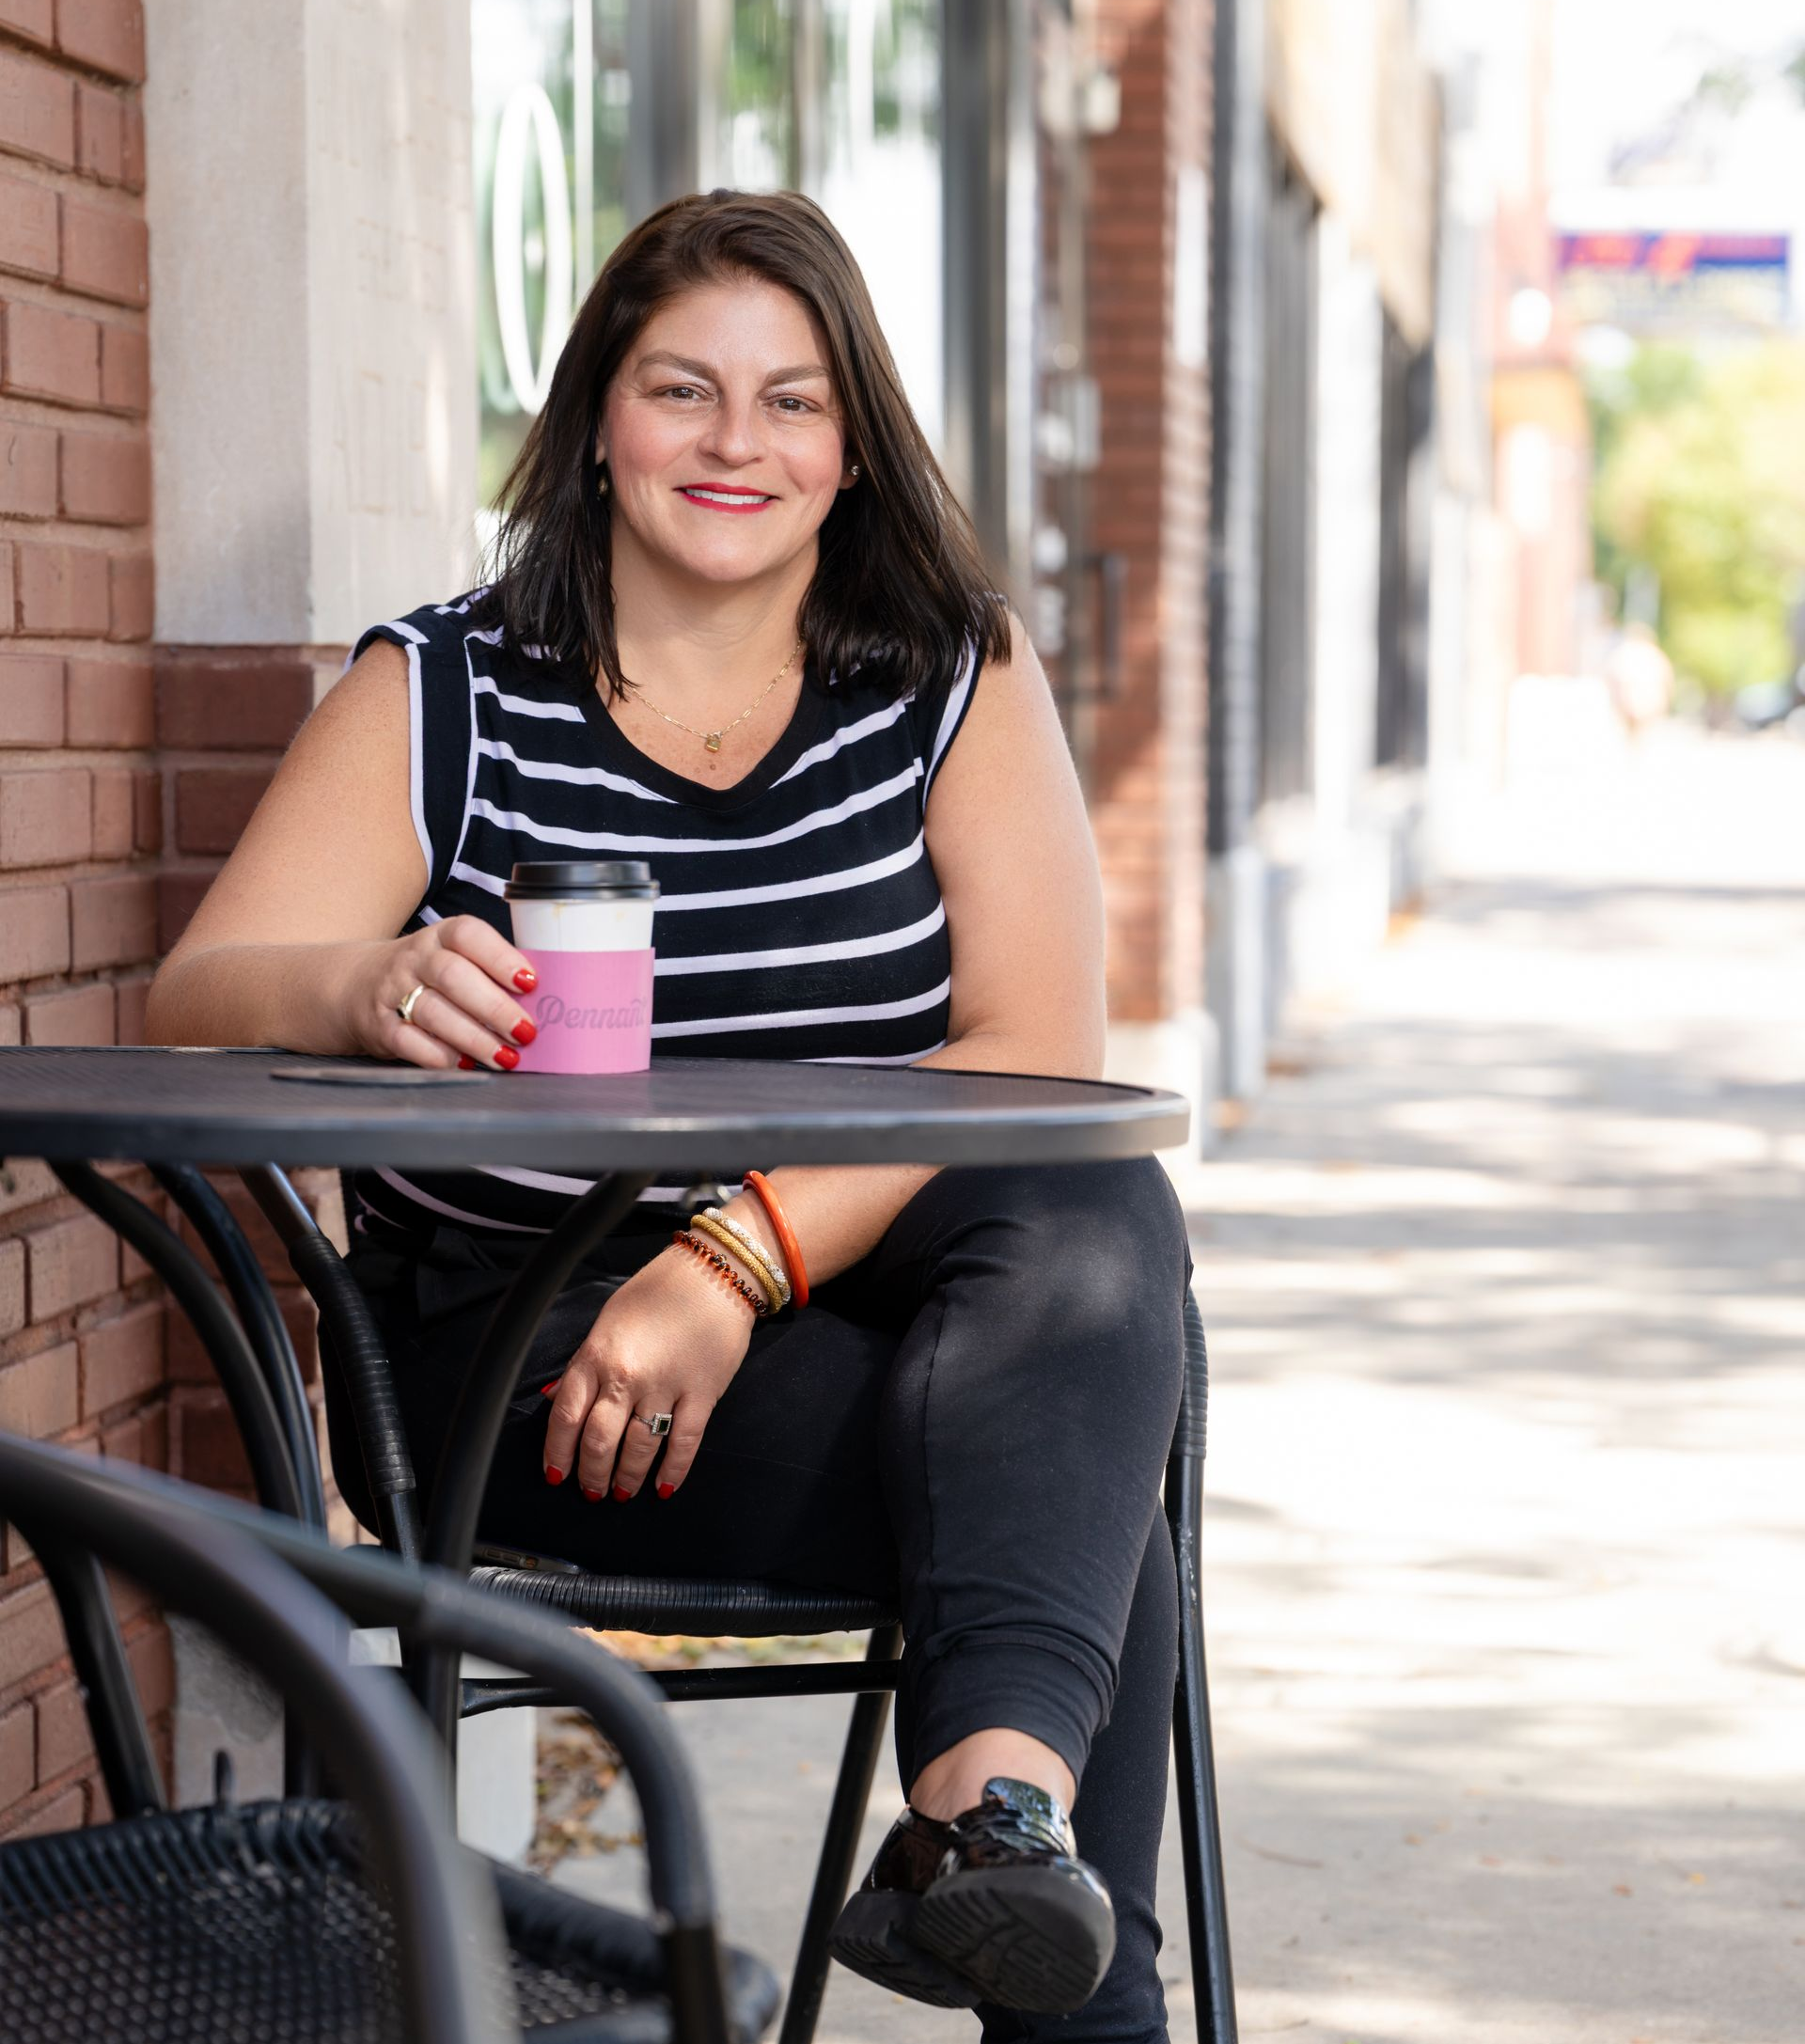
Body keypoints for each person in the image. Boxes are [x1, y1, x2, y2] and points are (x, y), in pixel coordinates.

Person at [145, 189, 1189, 2041]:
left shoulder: (951, 677)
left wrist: (733, 1255)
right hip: (538, 1367)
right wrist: (364, 983)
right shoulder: (449, 690)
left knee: (1095, 1228)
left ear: (853, 442)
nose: (736, 444)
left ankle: (980, 1819)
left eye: (791, 401)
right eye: (683, 390)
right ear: (598, 420)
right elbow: (202, 990)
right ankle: (1020, 1880)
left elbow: (1033, 1062)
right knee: (1082, 1482)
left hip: (801, 1288)